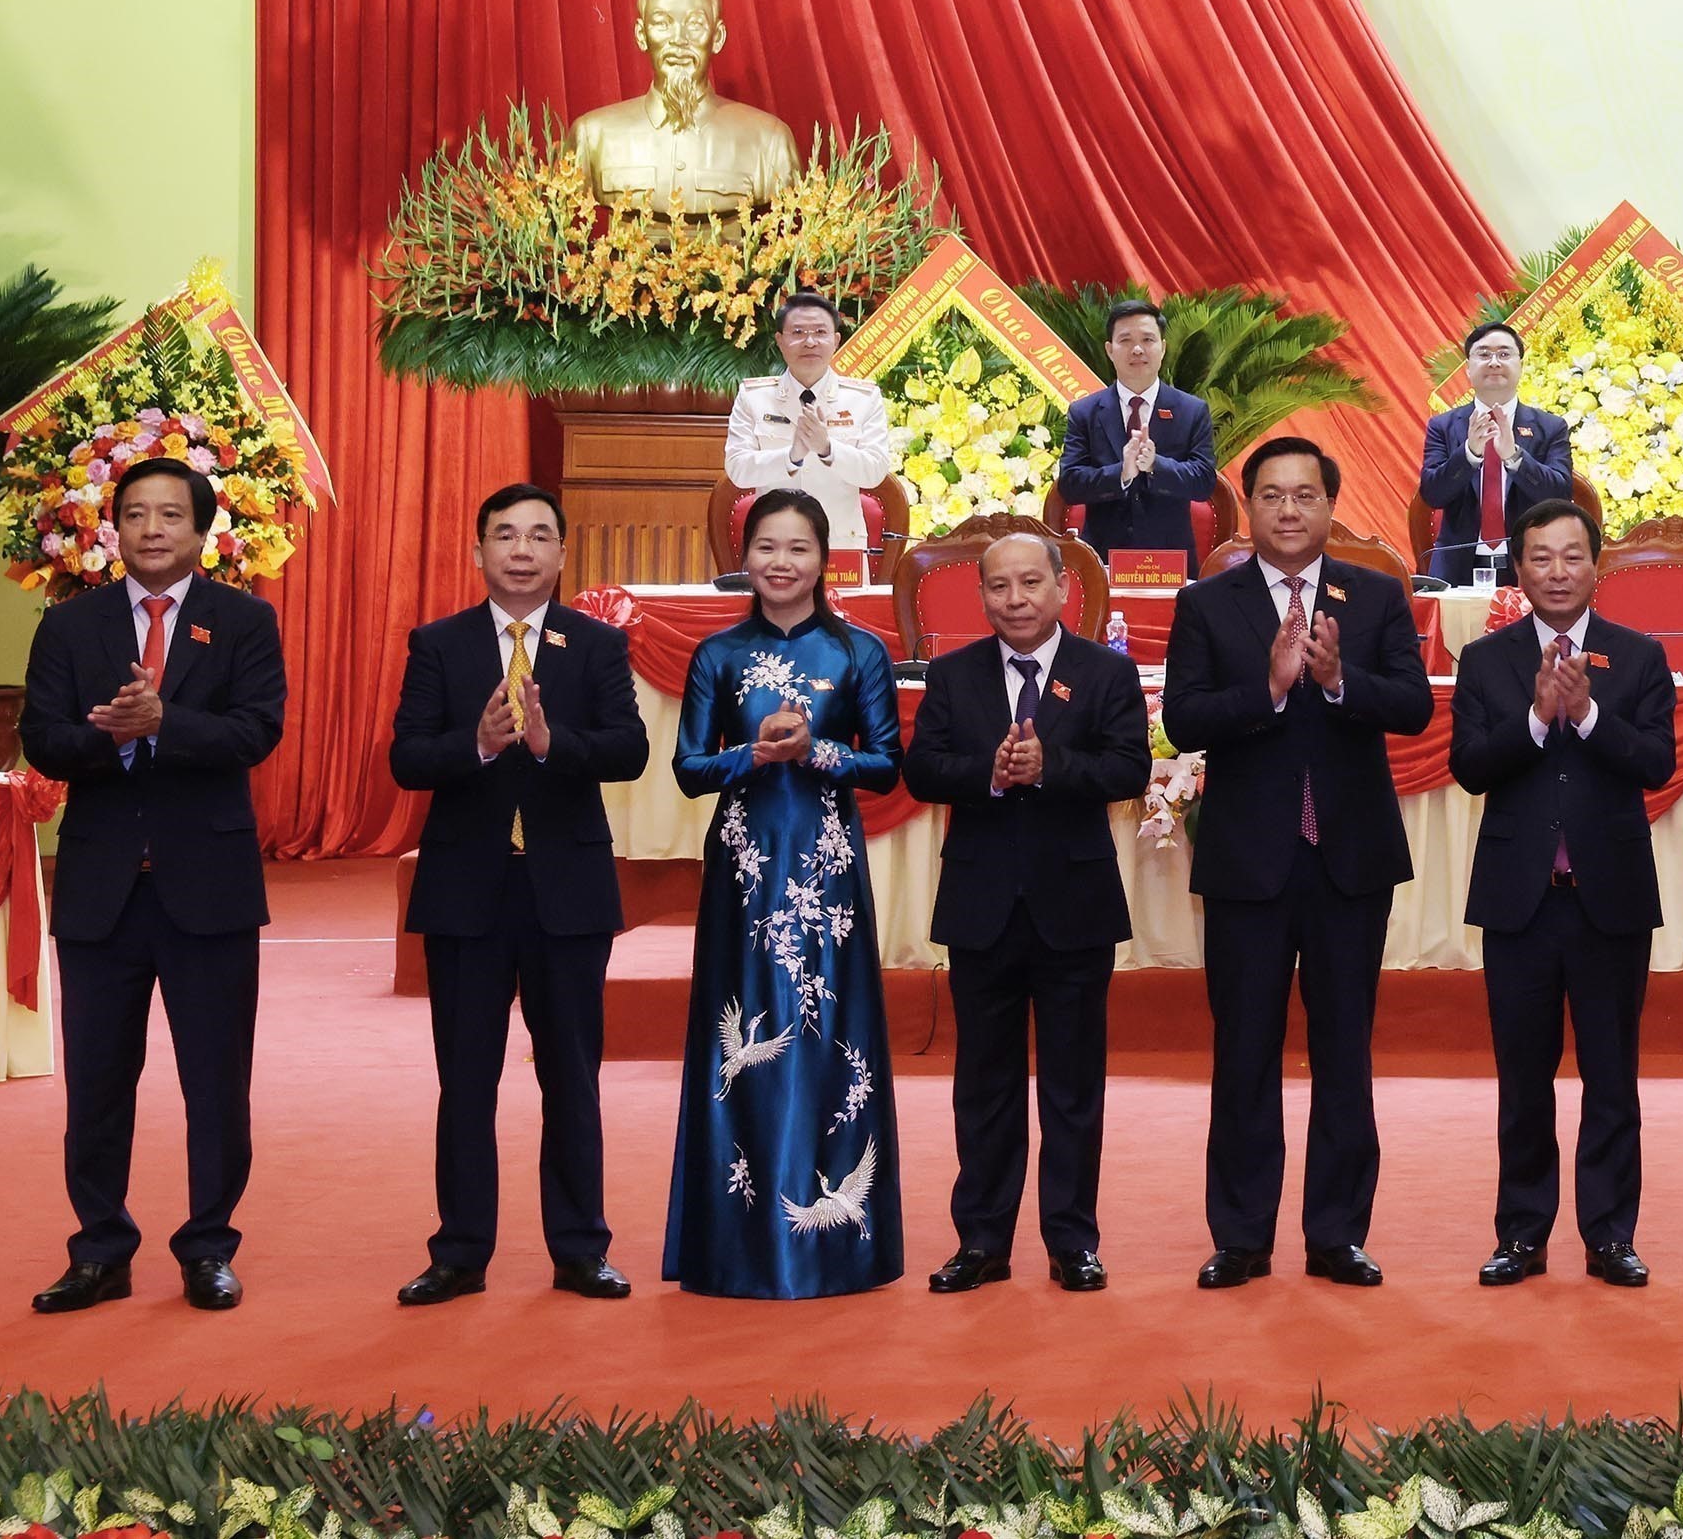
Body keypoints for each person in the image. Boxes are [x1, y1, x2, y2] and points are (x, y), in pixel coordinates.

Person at [1165, 435, 1436, 1288]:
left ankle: (1335, 1234)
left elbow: (1417, 706)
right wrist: (1274, 687)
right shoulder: (1208, 603)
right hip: (1250, 862)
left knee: (1345, 1052)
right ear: (1249, 507)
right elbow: (1182, 719)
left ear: (1330, 505)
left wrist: (1338, 676)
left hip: (1348, 861)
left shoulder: (1380, 596)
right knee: (1243, 1051)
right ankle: (1241, 1236)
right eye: (1273, 494)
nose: (1289, 509)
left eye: (1306, 494)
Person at [20, 458, 287, 1315]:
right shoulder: (71, 626)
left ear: (202, 531)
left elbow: (257, 730)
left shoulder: (244, 620)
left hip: (207, 886)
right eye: (135, 514)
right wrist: (114, 736)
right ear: (115, 530)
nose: (153, 529)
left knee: (215, 1082)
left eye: (171, 514)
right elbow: (43, 738)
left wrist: (167, 721)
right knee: (96, 1083)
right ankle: (101, 1248)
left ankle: (209, 1244)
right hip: (101, 887)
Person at [386, 482, 647, 1306]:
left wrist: (548, 740)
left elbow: (629, 750)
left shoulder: (596, 646)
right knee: (465, 1079)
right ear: (479, 551)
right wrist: (479, 743)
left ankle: (579, 1249)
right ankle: (460, 1252)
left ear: (563, 554)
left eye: (540, 535)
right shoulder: (440, 643)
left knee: (571, 1074)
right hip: (467, 891)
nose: (523, 549)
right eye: (505, 534)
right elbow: (407, 758)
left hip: (566, 892)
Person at [658, 490, 904, 1299]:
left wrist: (824, 750)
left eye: (798, 548)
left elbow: (887, 763)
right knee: (747, 1039)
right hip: (745, 872)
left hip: (827, 875)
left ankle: (839, 1246)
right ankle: (737, 1239)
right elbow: (690, 768)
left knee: (831, 1036)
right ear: (745, 554)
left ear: (824, 558)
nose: (781, 563)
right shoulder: (717, 655)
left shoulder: (858, 650)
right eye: (766, 546)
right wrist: (753, 759)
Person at [903, 530, 1154, 1295]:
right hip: (981, 904)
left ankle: (1071, 1240)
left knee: (1074, 1086)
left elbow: (1129, 766)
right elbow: (920, 769)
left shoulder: (1105, 671)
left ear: (1061, 587)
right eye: (999, 587)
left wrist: (1052, 768)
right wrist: (990, 772)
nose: (1016, 600)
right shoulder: (952, 674)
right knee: (984, 1083)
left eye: (1030, 584)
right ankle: (981, 1240)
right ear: (981, 596)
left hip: (1073, 904)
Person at [1449, 499, 1676, 1290]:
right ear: (1519, 568)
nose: (1556, 571)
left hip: (1607, 896)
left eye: (1571, 556)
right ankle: (1522, 1232)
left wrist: (1586, 714)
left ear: (1596, 564)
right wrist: (1539, 720)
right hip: (1521, 898)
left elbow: (1655, 763)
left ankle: (1611, 1234)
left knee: (1613, 1076)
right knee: (1523, 1075)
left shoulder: (1639, 657)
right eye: (1540, 557)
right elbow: (1472, 766)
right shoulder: (1486, 660)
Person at [568, 0, 801, 211]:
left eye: (695, 24)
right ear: (641, 35)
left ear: (718, 37)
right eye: (662, 23)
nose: (679, 39)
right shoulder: (592, 136)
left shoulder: (769, 141)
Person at [722, 292, 897, 557]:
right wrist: (791, 457)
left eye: (820, 332)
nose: (810, 341)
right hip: (774, 546)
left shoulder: (863, 398)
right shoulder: (753, 397)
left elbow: (874, 473)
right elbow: (738, 470)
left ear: (835, 340)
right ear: (780, 341)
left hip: (839, 544)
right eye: (798, 332)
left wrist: (827, 448)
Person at [1056, 296, 1217, 561]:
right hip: (1102, 561)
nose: (1137, 350)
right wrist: (1121, 473)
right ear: (1110, 349)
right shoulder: (1084, 412)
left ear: (1163, 347)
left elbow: (1204, 482)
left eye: (1147, 340)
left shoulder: (1191, 410)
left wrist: (1156, 465)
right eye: (1126, 340)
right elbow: (1071, 484)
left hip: (1170, 562)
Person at [1418, 320, 1573, 586]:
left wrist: (1514, 457)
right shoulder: (1443, 426)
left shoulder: (1550, 427)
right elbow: (1432, 494)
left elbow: (1560, 495)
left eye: (1504, 354)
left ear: (1520, 365)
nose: (1494, 362)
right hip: (1458, 572)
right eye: (1484, 354)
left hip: (1530, 570)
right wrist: (1469, 454)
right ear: (1468, 368)